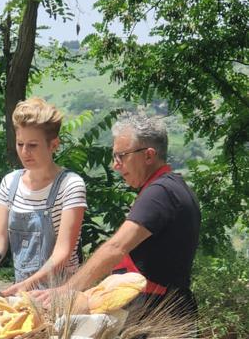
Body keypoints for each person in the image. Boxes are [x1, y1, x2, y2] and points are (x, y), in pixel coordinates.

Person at [34, 112, 201, 317]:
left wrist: (67, 290)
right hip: (168, 309)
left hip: (156, 313)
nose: (115, 165)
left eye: (121, 156)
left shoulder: (160, 193)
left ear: (148, 155)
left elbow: (116, 247)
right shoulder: (174, 187)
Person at [0, 97, 86, 304]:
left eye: (33, 145)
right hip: (24, 294)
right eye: (20, 144)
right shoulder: (10, 183)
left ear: (54, 144)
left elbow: (63, 252)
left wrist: (29, 284)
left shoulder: (70, 185)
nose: (25, 152)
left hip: (61, 296)